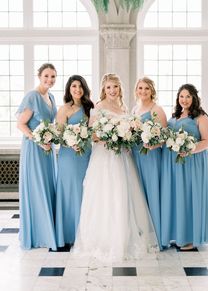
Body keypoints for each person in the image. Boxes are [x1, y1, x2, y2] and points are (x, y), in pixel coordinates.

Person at [74, 73, 157, 262]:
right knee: (104, 195)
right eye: (109, 87)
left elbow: (129, 132)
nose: (112, 91)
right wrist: (110, 136)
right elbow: (92, 136)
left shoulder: (124, 108)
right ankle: (104, 239)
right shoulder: (98, 107)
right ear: (104, 89)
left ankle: (124, 236)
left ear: (120, 89)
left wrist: (124, 137)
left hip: (122, 157)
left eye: (116, 87)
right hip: (103, 158)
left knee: (122, 193)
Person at [161, 84, 208, 250]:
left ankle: (191, 238)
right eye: (181, 96)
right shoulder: (174, 116)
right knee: (176, 197)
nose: (184, 100)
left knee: (189, 196)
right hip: (172, 164)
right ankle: (178, 234)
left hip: (191, 164)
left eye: (188, 96)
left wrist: (190, 149)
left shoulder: (200, 117)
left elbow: (207, 141)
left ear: (194, 98)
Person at [17, 63, 57, 250]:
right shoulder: (32, 96)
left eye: (53, 76)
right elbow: (21, 124)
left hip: (47, 149)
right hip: (34, 149)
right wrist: (37, 139)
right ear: (39, 76)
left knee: (48, 186)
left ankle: (48, 229)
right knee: (37, 187)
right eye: (46, 76)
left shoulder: (51, 97)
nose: (50, 79)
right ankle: (38, 234)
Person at [55, 75, 94, 247]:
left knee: (85, 191)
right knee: (70, 191)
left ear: (84, 89)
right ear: (69, 89)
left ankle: (85, 233)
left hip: (86, 155)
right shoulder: (64, 109)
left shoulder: (89, 108)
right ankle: (68, 234)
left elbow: (93, 131)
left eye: (80, 86)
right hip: (68, 157)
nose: (77, 89)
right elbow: (59, 134)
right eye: (73, 86)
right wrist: (72, 144)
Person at [132, 77, 167, 250]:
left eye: (146, 88)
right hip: (135, 155)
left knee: (152, 192)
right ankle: (141, 234)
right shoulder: (135, 109)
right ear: (136, 90)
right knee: (138, 194)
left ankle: (157, 237)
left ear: (152, 90)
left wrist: (153, 144)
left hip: (151, 156)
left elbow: (164, 136)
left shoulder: (157, 110)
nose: (143, 91)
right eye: (140, 88)